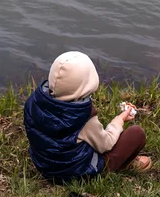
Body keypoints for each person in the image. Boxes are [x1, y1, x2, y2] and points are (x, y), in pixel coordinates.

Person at [24, 51, 151, 181]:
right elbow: (105, 144)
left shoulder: (34, 102)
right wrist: (119, 120)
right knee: (136, 134)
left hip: (44, 165)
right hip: (76, 172)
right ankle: (125, 162)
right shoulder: (81, 116)